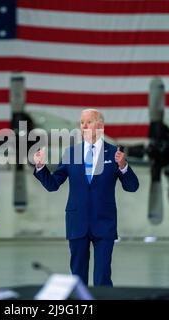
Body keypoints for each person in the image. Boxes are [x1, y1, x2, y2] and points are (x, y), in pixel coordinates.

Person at [33, 109, 139, 286]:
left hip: (104, 223)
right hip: (77, 222)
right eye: (82, 122)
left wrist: (123, 166)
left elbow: (132, 187)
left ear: (100, 125)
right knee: (77, 277)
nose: (83, 126)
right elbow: (53, 185)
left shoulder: (114, 153)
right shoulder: (71, 153)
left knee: (103, 276)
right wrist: (40, 167)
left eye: (88, 122)